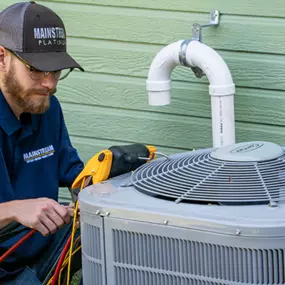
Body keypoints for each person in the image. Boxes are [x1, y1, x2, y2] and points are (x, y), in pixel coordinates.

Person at [0, 1, 85, 283]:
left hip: (42, 247)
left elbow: (72, 172)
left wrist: (98, 189)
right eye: (36, 69)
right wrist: (14, 210)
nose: (49, 83)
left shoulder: (47, 107)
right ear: (1, 57)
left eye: (56, 70)